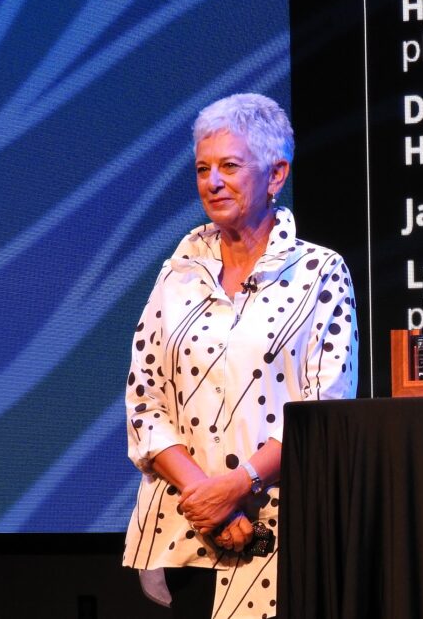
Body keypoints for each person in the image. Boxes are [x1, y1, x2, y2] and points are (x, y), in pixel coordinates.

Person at [123, 93, 358, 618]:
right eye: (203, 168)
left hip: (277, 528)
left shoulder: (320, 273)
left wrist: (237, 486)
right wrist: (205, 496)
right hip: (184, 530)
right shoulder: (177, 274)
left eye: (230, 166)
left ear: (276, 174)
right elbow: (145, 402)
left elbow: (326, 408)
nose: (212, 181)